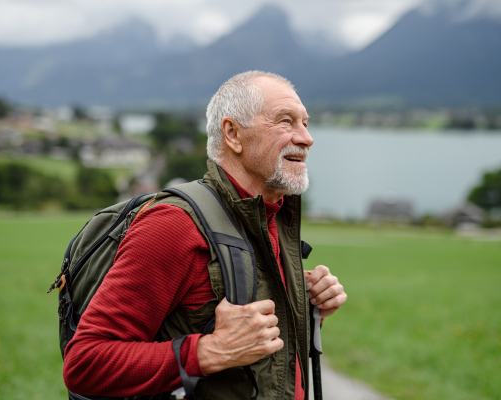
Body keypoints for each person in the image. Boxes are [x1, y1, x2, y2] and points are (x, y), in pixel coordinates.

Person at [63, 71, 347, 399]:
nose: (306, 138)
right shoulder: (173, 225)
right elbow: (85, 364)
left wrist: (309, 309)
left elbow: (261, 351)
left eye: (306, 123)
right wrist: (209, 352)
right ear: (233, 134)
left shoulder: (273, 218)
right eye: (286, 121)